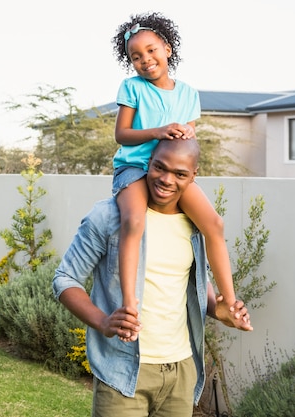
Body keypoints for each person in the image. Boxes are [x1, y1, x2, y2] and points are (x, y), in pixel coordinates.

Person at [53, 139, 253, 416]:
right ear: (148, 164)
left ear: (194, 176)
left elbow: (193, 280)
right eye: (160, 168)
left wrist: (216, 309)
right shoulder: (110, 215)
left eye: (180, 174)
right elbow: (65, 279)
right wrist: (103, 322)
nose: (166, 180)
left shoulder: (196, 224)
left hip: (181, 371)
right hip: (124, 371)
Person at [110, 11, 237, 342]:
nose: (145, 60)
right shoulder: (132, 87)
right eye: (136, 56)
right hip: (136, 168)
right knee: (134, 222)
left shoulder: (188, 94)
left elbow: (189, 139)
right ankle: (128, 305)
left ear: (166, 48)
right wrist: (160, 130)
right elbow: (121, 134)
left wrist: (184, 140)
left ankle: (229, 300)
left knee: (214, 224)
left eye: (151, 50)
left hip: (170, 173)